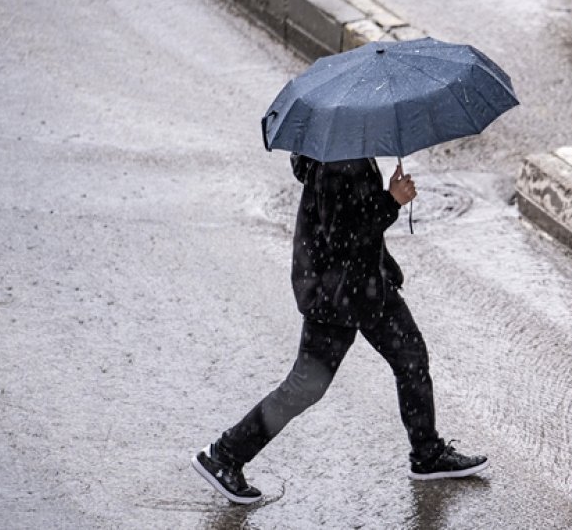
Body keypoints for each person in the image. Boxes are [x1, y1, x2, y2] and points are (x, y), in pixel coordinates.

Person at [191, 154, 487, 504]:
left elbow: (353, 224)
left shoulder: (349, 152)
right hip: (336, 294)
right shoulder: (337, 163)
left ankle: (427, 453)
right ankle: (225, 455)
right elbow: (343, 239)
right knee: (305, 386)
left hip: (367, 285)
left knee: (411, 356)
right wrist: (391, 200)